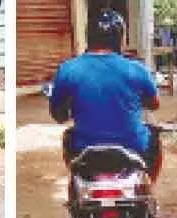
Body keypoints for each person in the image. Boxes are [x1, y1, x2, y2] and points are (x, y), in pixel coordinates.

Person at [49, 10, 162, 192]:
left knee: (67, 137)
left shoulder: (68, 69)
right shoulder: (137, 69)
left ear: (89, 37)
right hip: (133, 145)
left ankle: (76, 186)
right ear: (120, 39)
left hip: (84, 147)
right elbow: (155, 104)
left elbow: (58, 115)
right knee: (155, 137)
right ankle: (147, 188)